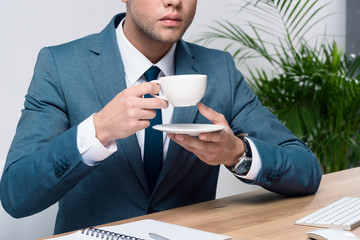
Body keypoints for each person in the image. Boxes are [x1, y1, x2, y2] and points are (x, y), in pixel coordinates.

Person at [0, 0, 322, 235]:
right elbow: (16, 195)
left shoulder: (219, 70)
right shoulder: (60, 66)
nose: (174, 2)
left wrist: (237, 153)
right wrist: (96, 132)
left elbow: (306, 170)